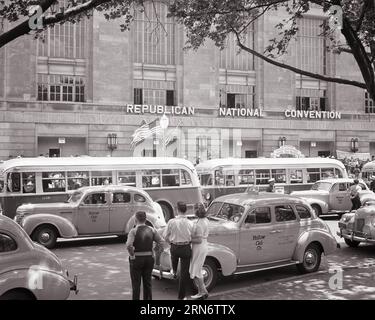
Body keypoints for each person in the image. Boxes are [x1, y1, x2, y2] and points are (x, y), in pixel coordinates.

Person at [126, 211, 164, 300]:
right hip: (149, 258)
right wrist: (157, 251)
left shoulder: (133, 231)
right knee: (148, 283)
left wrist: (132, 255)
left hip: (137, 259)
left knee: (136, 285)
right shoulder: (152, 229)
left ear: (135, 220)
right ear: (146, 219)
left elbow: (129, 245)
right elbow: (161, 242)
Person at [163, 201, 193, 300]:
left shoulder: (171, 222)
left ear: (177, 210)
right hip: (185, 247)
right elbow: (193, 236)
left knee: (174, 260)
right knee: (184, 274)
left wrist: (170, 242)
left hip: (175, 247)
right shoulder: (190, 223)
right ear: (186, 210)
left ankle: (174, 271)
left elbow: (165, 236)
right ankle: (181, 297)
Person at [189, 203, 209, 300]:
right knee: (198, 269)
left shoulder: (200, 223)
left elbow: (199, 240)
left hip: (199, 247)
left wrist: (188, 240)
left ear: (196, 210)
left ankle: (201, 292)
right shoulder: (205, 220)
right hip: (202, 246)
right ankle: (203, 291)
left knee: (197, 270)